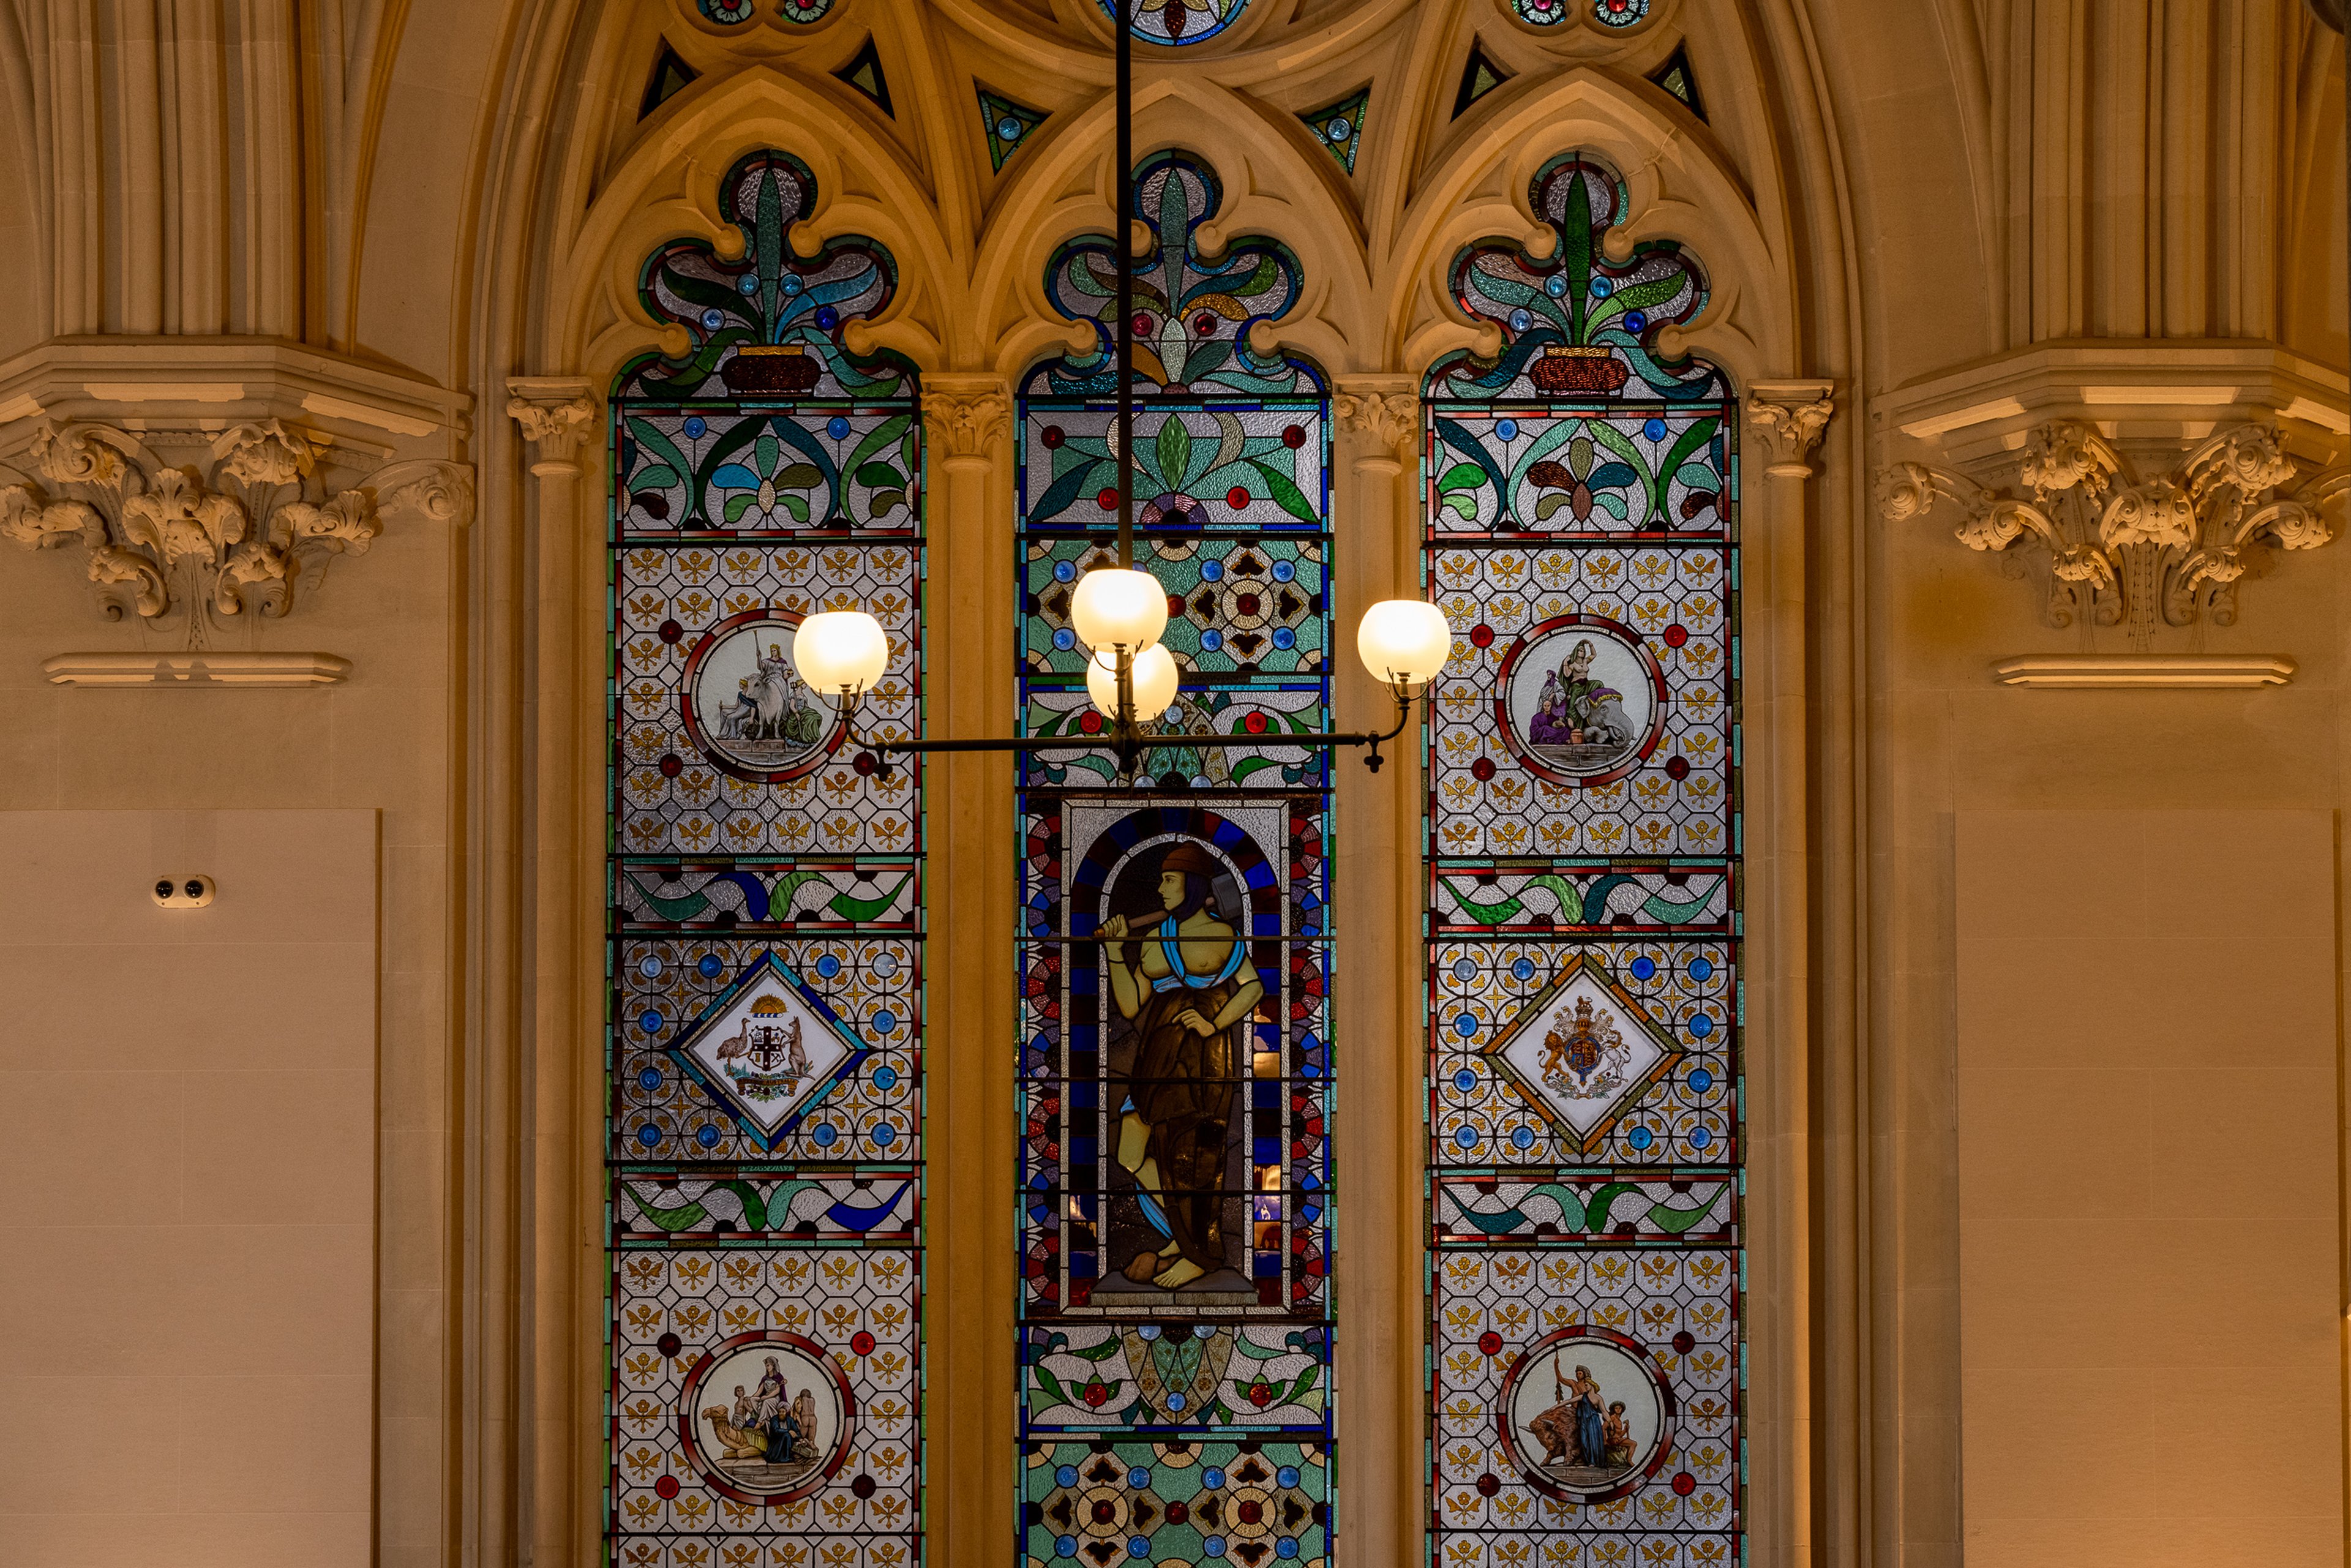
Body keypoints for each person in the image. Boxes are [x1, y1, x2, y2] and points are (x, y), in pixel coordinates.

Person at [1100, 839, 1262, 1291]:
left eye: (1169, 880)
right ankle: (1187, 1235)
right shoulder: (1154, 938)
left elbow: (1252, 987)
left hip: (1201, 1061)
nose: (1161, 888)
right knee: (1130, 1154)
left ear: (1192, 885)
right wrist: (1114, 952)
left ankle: (1200, 1255)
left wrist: (1215, 1023)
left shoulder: (1223, 936)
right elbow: (1131, 1004)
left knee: (1195, 1160)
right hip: (1155, 1058)